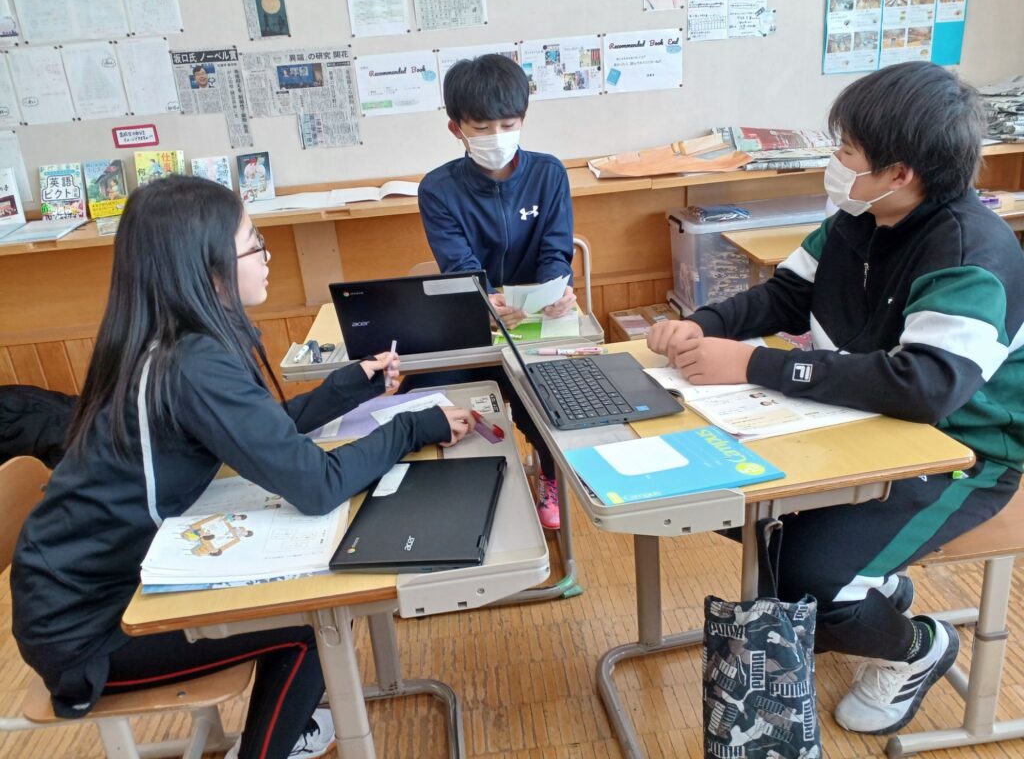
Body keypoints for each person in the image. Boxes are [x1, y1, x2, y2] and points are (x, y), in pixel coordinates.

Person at [10, 175, 475, 759]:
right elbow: (317, 485)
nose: (266, 256)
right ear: (209, 268)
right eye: (255, 244)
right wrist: (415, 425)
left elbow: (261, 435)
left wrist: (348, 387)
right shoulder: (192, 362)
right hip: (93, 629)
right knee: (313, 629)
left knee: (316, 610)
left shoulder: (168, 341)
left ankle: (289, 729)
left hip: (92, 589)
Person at [648, 61, 1024, 735]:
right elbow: (786, 294)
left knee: (807, 578)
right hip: (865, 423)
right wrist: (703, 325)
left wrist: (753, 364)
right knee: (737, 509)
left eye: (846, 150)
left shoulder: (970, 253)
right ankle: (874, 585)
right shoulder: (861, 216)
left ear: (899, 172)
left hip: (967, 453)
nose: (834, 161)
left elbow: (924, 388)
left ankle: (918, 648)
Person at [407, 53, 576, 530]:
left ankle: (549, 474)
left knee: (553, 402)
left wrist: (555, 291)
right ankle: (447, 494)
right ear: (456, 129)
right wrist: (484, 299)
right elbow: (458, 264)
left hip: (536, 322)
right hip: (470, 323)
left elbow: (556, 250)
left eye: (508, 124)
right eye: (482, 128)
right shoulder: (438, 189)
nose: (497, 136)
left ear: (523, 119)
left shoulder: (549, 174)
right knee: (420, 397)